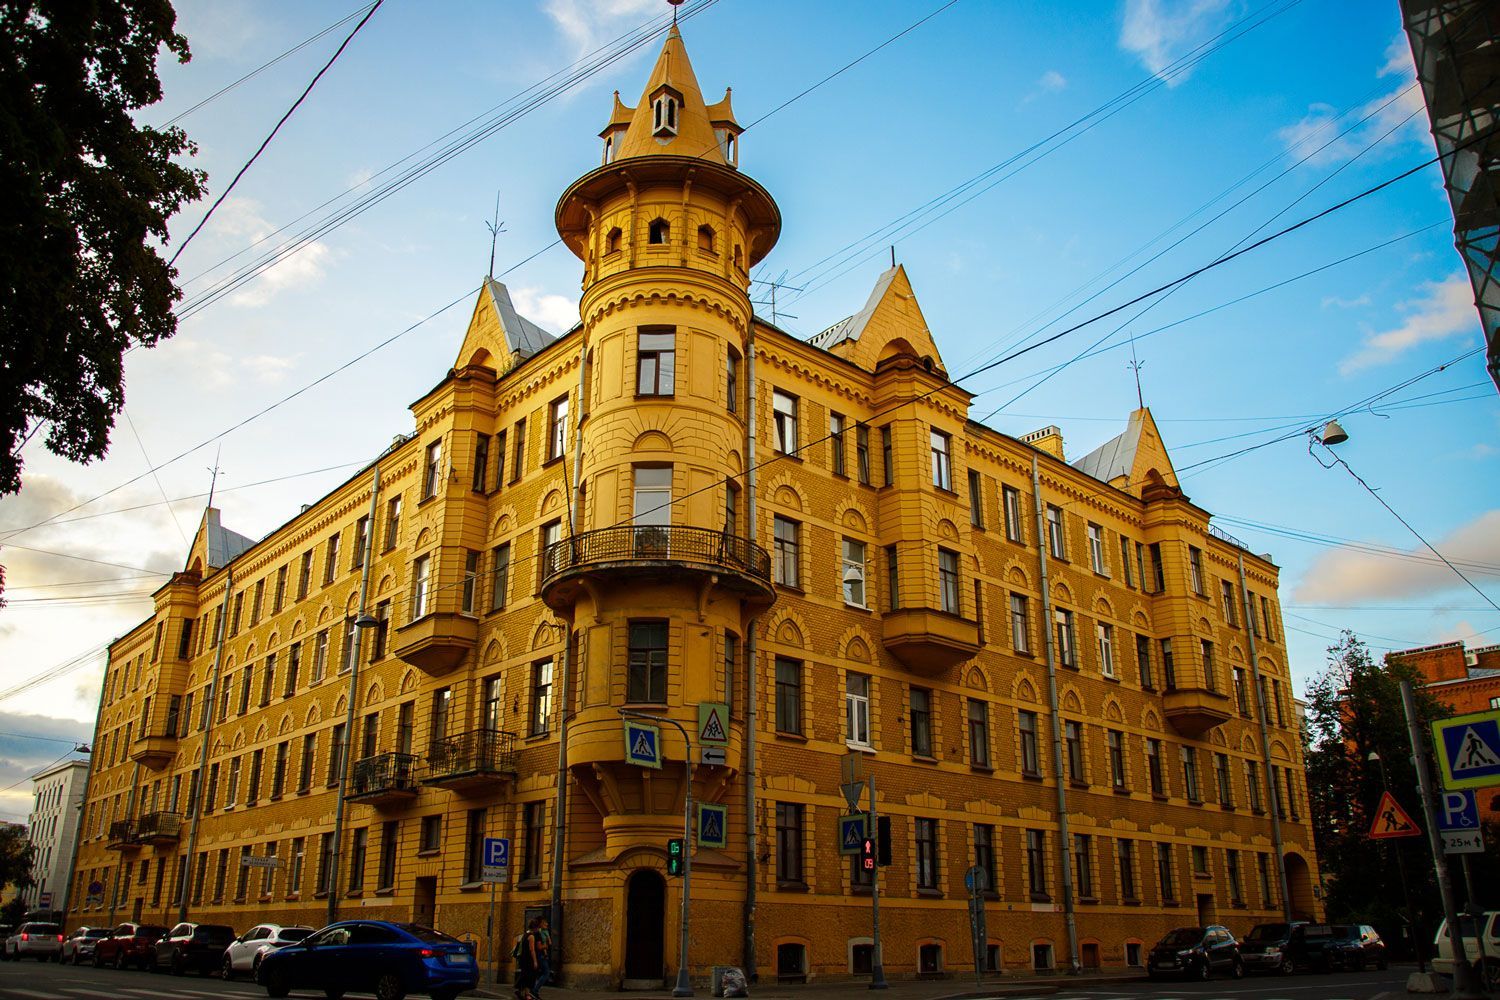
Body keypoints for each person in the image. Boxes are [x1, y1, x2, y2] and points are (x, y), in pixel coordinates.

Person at [513, 918, 540, 1000]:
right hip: (529, 960)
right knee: (529, 977)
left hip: (523, 959)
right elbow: (532, 950)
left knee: (525, 975)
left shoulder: (525, 935)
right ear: (535, 927)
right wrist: (535, 961)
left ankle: (526, 993)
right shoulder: (531, 936)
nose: (538, 929)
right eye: (538, 928)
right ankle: (525, 993)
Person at [534, 916, 553, 999]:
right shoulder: (539, 933)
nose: (547, 924)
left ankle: (534, 990)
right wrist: (545, 946)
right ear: (540, 924)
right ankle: (534, 990)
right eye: (544, 922)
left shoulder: (544, 932)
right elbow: (539, 946)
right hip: (541, 955)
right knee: (546, 973)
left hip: (542, 955)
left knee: (541, 973)